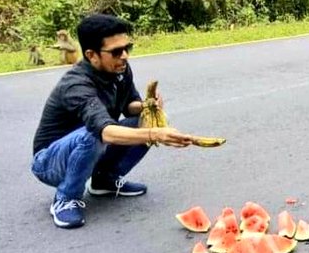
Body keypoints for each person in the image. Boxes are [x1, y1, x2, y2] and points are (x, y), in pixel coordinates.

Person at [31, 14, 194, 229]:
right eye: (116, 52)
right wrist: (156, 134)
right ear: (92, 55)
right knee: (94, 133)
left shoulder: (119, 69)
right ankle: (65, 197)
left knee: (145, 121)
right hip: (50, 162)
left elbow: (129, 106)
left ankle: (104, 180)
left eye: (128, 48)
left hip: (92, 145)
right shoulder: (76, 84)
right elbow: (105, 131)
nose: (124, 56)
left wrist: (147, 106)